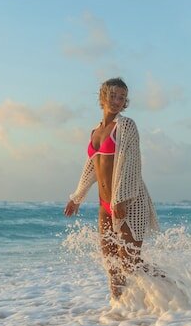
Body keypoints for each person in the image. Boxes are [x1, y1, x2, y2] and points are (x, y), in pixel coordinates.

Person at [64, 77, 161, 298]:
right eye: (113, 96)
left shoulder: (126, 126)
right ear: (103, 96)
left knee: (130, 264)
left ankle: (177, 287)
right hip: (104, 205)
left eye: (122, 98)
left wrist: (122, 199)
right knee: (112, 265)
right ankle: (119, 312)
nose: (117, 101)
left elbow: (133, 164)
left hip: (130, 201)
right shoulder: (95, 131)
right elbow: (91, 166)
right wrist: (77, 197)